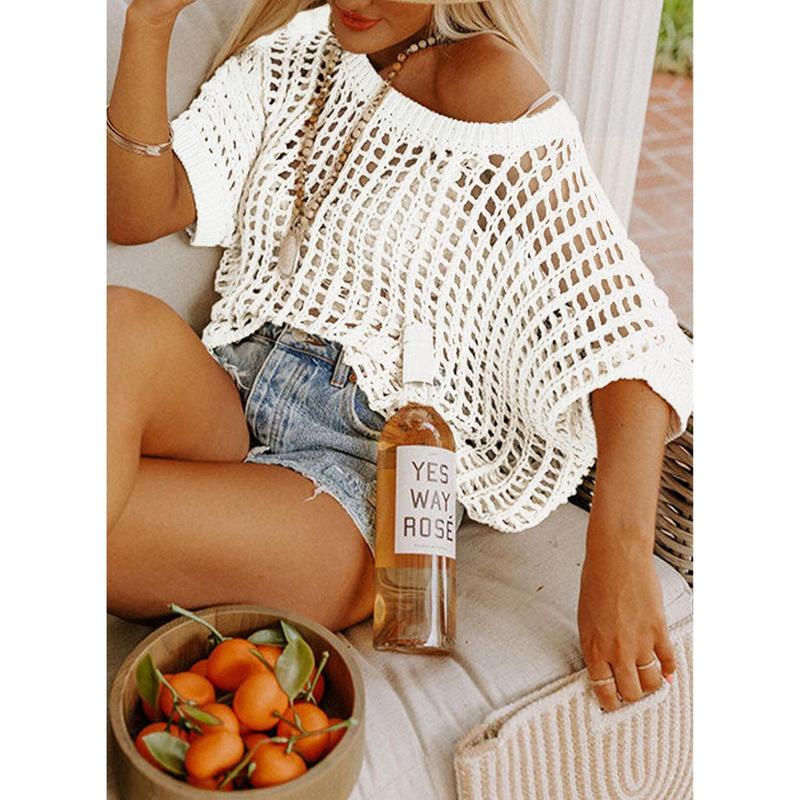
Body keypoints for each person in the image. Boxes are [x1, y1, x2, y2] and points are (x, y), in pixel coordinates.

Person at [107, 0, 692, 713]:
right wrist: (148, 23)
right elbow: (140, 211)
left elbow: (628, 330)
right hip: (233, 396)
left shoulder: (487, 82)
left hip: (356, 486)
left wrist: (619, 555)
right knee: (117, 323)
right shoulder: (299, 50)